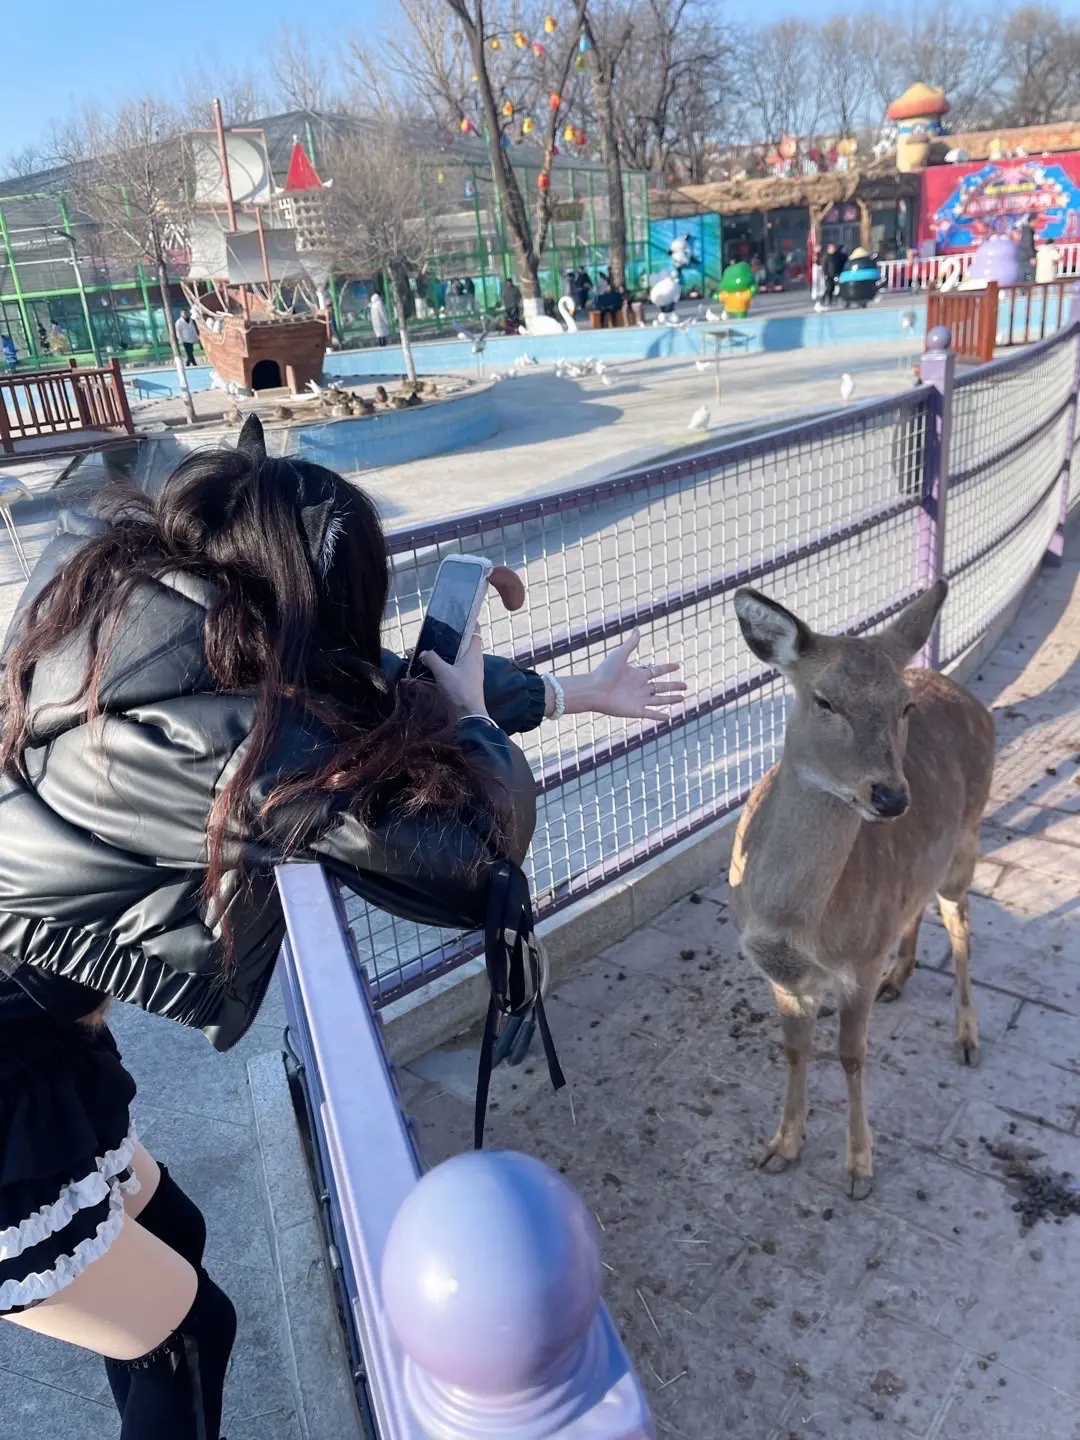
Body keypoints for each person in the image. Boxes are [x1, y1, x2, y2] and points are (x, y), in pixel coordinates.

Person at [0, 415, 684, 1439]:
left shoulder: (130, 615)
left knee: (172, 1237)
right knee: (186, 1335)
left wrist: (562, 692)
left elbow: (364, 695)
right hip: (12, 1080)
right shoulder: (236, 744)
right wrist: (475, 721)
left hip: (43, 1049)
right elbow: (469, 855)